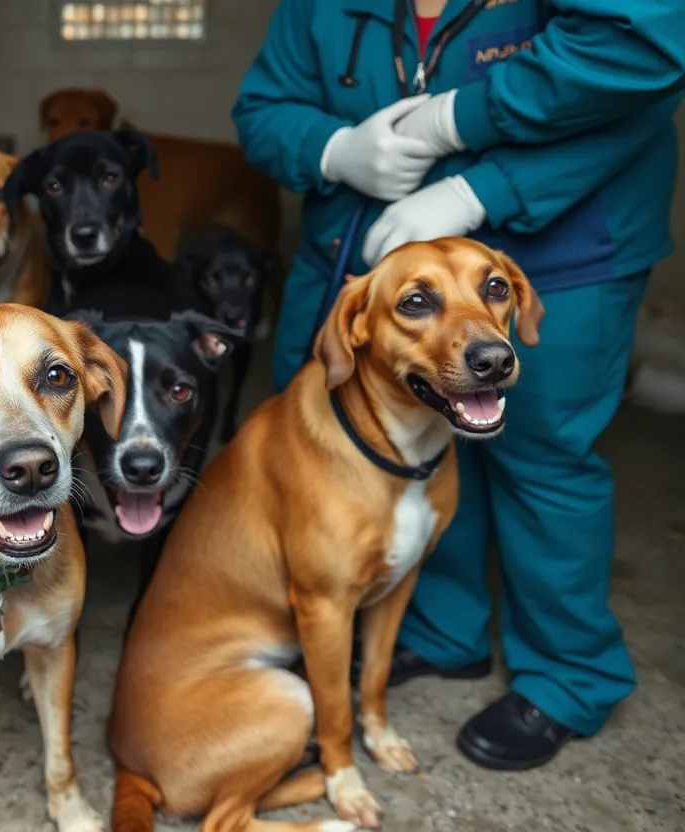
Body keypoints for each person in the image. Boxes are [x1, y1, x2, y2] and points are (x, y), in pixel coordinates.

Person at [233, 0, 685, 772]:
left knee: (541, 454)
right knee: (405, 450)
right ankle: (445, 632)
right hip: (375, 246)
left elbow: (636, 66)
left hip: (558, 246)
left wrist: (478, 174)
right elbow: (264, 109)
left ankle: (572, 677)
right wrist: (337, 149)